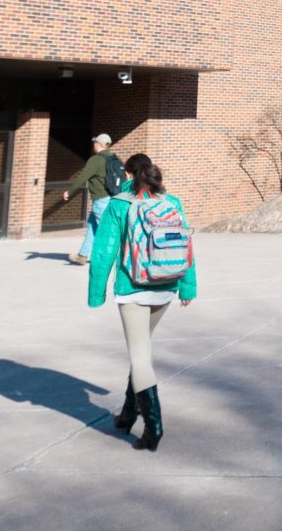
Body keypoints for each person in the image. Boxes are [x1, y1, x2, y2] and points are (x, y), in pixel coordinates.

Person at [86, 153, 197, 452]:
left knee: (139, 355)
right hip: (166, 286)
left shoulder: (119, 205)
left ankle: (154, 427)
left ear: (128, 174)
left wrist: (97, 293)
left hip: (133, 289)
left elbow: (103, 252)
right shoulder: (171, 202)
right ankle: (127, 414)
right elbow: (187, 245)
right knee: (142, 347)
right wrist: (187, 287)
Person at [66, 133, 124, 265]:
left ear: (98, 144)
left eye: (94, 143)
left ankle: (113, 258)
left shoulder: (96, 160)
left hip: (101, 199)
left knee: (106, 230)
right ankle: (82, 255)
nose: (93, 145)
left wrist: (69, 191)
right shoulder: (114, 158)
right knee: (93, 226)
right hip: (112, 197)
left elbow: (83, 177)